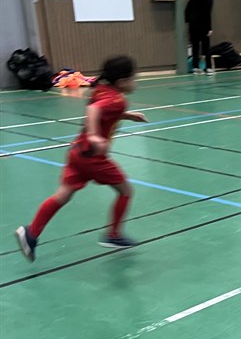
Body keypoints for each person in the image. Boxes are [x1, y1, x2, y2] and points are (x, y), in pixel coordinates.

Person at [14, 55, 147, 262]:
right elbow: (94, 110)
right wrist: (94, 135)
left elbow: (100, 107)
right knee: (126, 191)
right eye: (133, 78)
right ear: (122, 82)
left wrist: (127, 116)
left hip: (78, 152)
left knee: (63, 194)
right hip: (93, 158)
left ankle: (31, 233)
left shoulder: (102, 89)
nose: (135, 82)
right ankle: (113, 235)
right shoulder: (118, 100)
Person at [185, 0, 219, 74]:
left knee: (195, 46)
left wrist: (188, 20)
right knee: (206, 47)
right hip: (203, 25)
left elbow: (188, 7)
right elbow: (207, 14)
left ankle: (195, 67)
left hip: (193, 24)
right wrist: (209, 28)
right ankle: (208, 67)